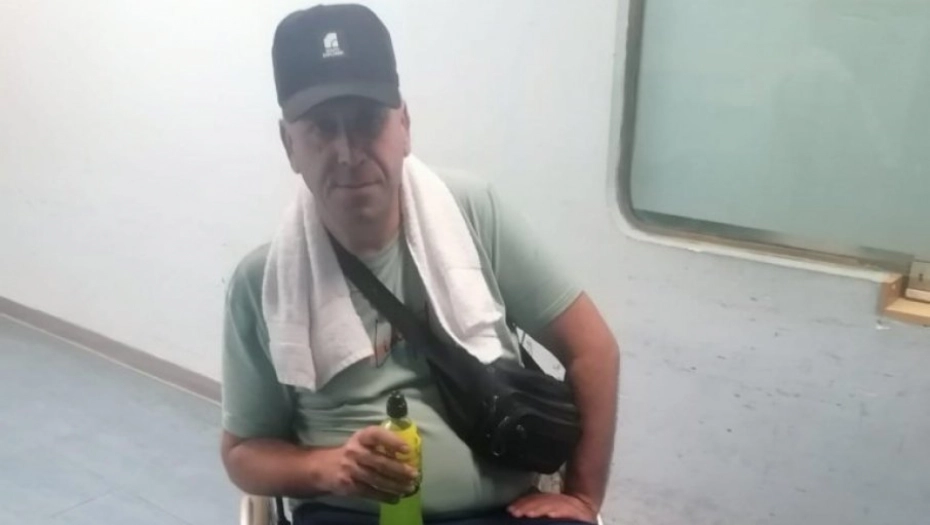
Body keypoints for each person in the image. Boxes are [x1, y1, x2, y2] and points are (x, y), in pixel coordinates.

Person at [220, 4, 620, 525]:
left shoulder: (472, 212)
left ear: (404, 125)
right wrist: (328, 467)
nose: (347, 153)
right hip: (350, 515)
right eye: (321, 128)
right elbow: (242, 453)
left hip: (507, 510)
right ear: (289, 145)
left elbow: (593, 349)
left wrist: (583, 497)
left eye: (367, 122)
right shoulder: (262, 283)